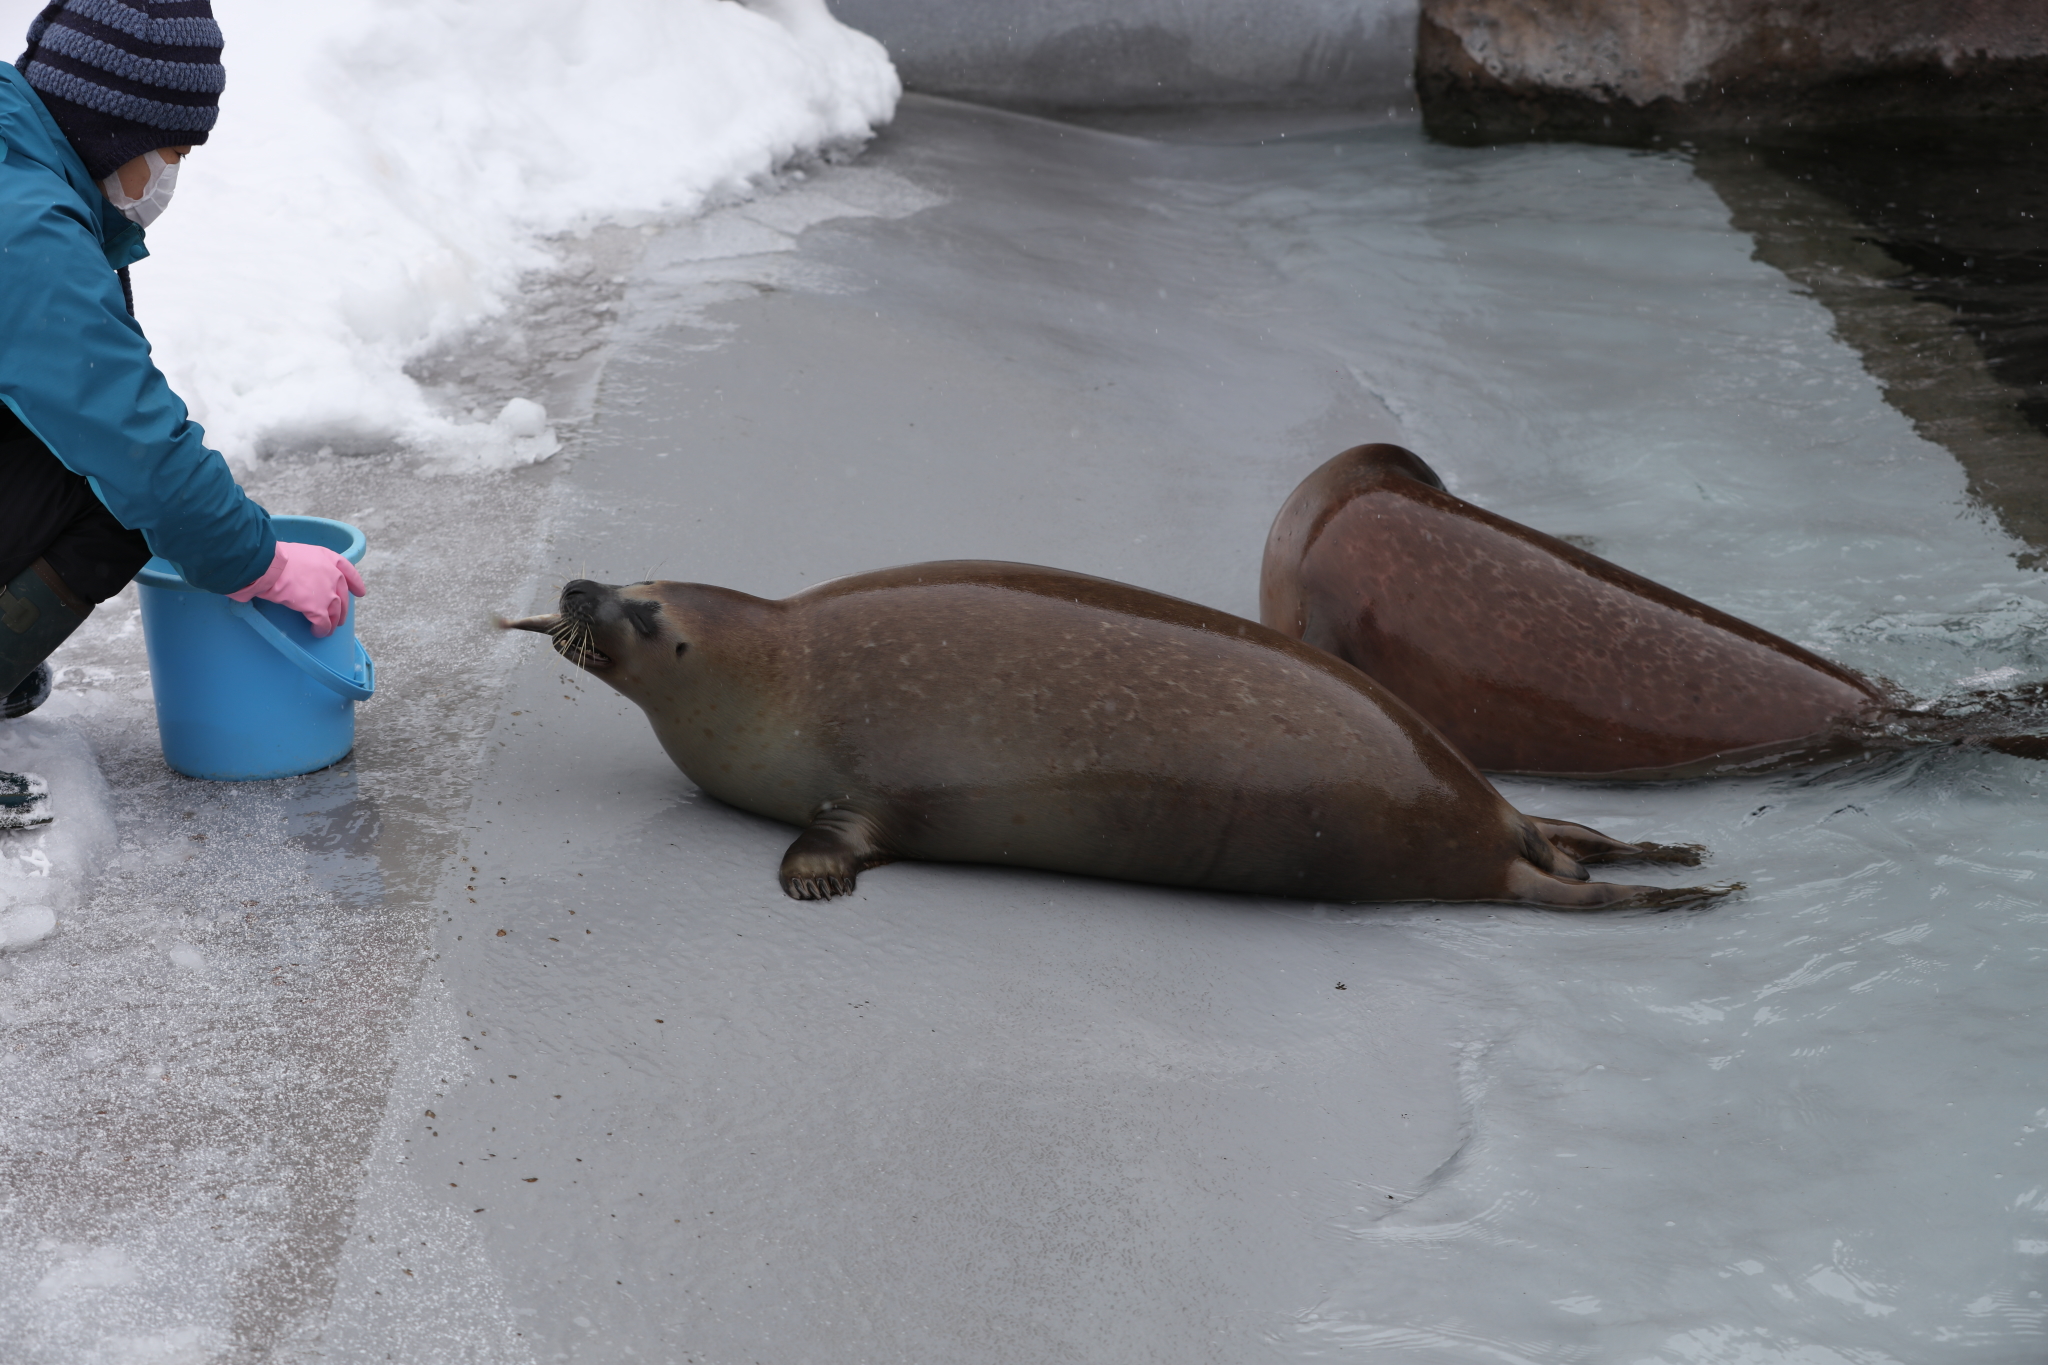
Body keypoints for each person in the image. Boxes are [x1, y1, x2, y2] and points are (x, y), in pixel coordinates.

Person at [0, 1, 364, 828]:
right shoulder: (22, 223)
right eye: (172, 149)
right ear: (111, 123)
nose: (170, 176)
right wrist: (263, 564)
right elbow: (133, 441)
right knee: (116, 501)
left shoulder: (20, 161)